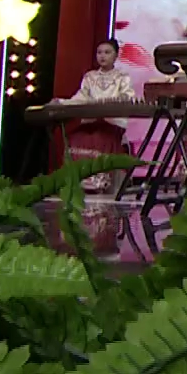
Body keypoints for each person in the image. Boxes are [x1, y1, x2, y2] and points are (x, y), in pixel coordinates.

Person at [52, 38, 137, 253]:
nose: (102, 56)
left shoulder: (122, 77)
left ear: (116, 55)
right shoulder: (90, 77)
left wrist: (109, 105)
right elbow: (80, 98)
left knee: (100, 137)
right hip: (91, 120)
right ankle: (78, 182)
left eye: (107, 52)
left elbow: (128, 98)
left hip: (110, 123)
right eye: (99, 52)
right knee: (76, 137)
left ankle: (98, 183)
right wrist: (62, 102)